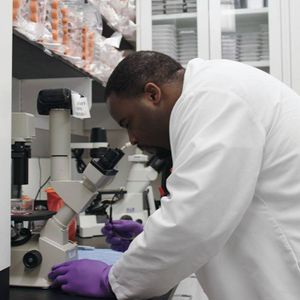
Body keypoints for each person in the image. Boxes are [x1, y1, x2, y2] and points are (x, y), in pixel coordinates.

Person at [48, 51, 300, 300]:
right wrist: (147, 238)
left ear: (152, 94)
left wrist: (112, 280)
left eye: (128, 123)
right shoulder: (213, 89)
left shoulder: (214, 97)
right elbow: (212, 210)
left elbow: (195, 217)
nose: (132, 138)